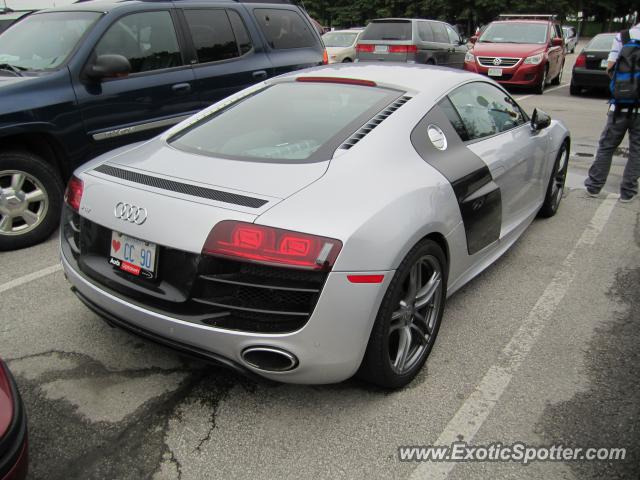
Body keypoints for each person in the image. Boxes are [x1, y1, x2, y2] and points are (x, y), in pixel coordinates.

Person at [585, 22, 640, 203]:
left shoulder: (624, 36)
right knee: (637, 150)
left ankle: (594, 186)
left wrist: (624, 86)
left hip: (619, 105)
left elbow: (610, 67)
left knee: (607, 146)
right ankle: (628, 192)